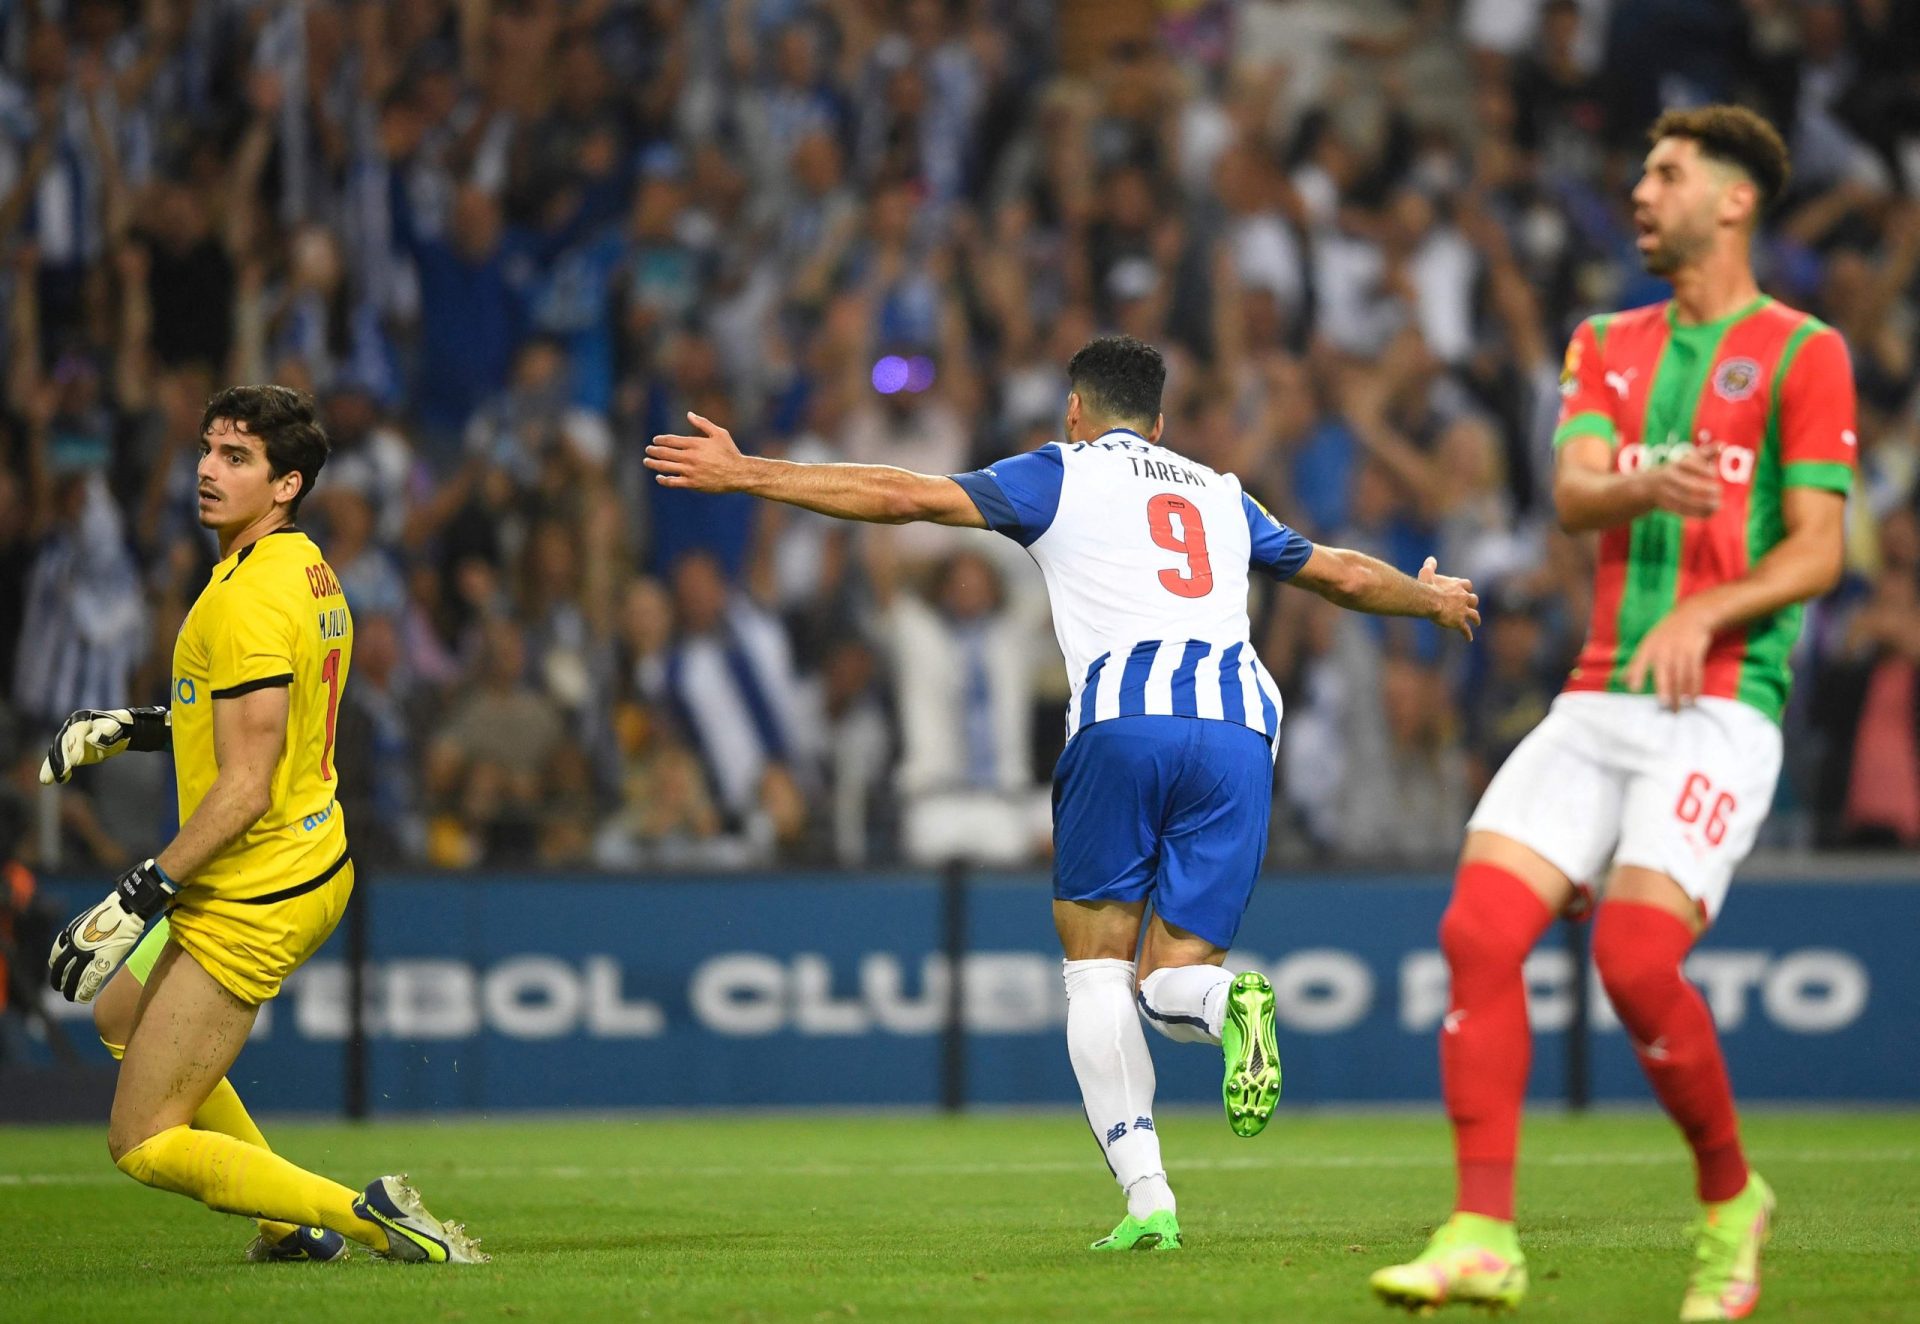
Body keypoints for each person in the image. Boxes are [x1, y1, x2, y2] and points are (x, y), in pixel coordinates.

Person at [646, 335, 1479, 1251]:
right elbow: (1342, 573)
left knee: (1096, 973)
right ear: (1161, 424)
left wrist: (747, 473)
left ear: (1074, 412)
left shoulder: (1060, 472)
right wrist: (1429, 599)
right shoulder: (1222, 492)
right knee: (1172, 980)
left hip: (1124, 722)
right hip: (1241, 730)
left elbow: (902, 495)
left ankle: (1148, 1197)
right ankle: (1222, 1001)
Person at [1371, 106, 1856, 1322]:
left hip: (1723, 704)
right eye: (1641, 170)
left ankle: (1731, 1200)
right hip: (1599, 696)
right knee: (1478, 933)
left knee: (1636, 962)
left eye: (1668, 172)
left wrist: (1710, 610)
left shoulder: (1805, 354)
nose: (1641, 190)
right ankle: (1483, 1233)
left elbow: (1819, 550)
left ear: (1734, 201)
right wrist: (1646, 480)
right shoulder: (1606, 342)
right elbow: (1579, 494)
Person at [40, 385, 484, 1265]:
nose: (207, 468)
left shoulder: (242, 603)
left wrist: (138, 896)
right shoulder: (304, 570)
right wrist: (134, 727)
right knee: (120, 1013)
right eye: (208, 448)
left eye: (236, 457)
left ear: (286, 485)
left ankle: (369, 1218)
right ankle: (288, 1222)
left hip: (257, 883)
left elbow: (244, 784)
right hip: (303, 850)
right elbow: (257, 720)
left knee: (141, 1139)